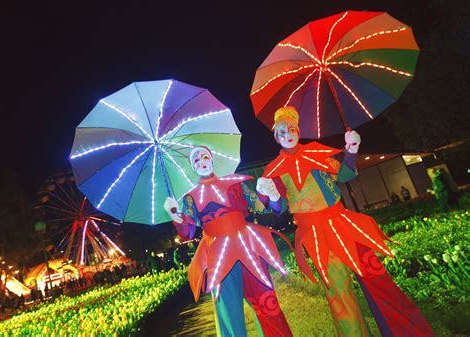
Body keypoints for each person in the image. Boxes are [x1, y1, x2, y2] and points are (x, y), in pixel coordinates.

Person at [257, 106, 434, 337]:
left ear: (298, 130)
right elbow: (278, 209)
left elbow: (344, 175)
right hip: (316, 235)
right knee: (339, 295)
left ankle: (406, 332)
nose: (288, 134)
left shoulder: (317, 152)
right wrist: (269, 196)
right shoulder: (273, 170)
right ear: (275, 137)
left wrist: (351, 150)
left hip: (343, 223)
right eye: (282, 132)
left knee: (377, 279)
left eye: (291, 128)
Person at [164, 146, 292, 337]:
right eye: (196, 160)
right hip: (219, 258)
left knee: (268, 305)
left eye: (204, 156)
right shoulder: (191, 197)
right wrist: (177, 218)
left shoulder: (234, 183)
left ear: (212, 159)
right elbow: (188, 232)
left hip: (248, 247)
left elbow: (262, 206)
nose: (202, 162)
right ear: (192, 167)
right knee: (230, 317)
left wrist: (271, 196)